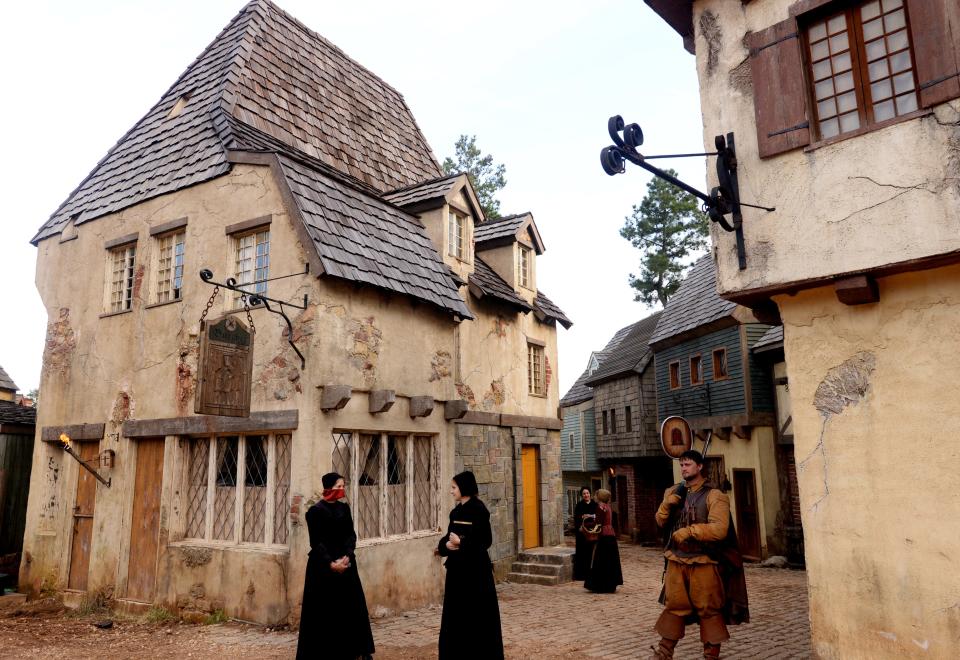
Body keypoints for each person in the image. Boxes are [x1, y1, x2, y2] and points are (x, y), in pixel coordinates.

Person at [650, 450, 749, 660]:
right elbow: (660, 521)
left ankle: (711, 654)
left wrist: (690, 531)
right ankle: (664, 652)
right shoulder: (673, 491)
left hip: (704, 561)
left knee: (708, 608)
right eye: (681, 465)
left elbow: (720, 529)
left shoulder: (715, 496)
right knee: (675, 606)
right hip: (676, 560)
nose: (683, 468)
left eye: (688, 464)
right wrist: (667, 504)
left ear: (700, 466)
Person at [296, 472, 375, 660]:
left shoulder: (344, 508)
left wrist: (347, 556)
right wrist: (330, 563)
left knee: (352, 609)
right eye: (338, 486)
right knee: (325, 612)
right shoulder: (314, 512)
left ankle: (355, 651)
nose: (342, 490)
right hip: (322, 567)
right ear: (328, 488)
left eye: (343, 486)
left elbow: (350, 534)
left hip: (346, 564)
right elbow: (316, 542)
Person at [437, 470, 504, 660]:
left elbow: (485, 541)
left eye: (454, 487)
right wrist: (445, 545)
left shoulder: (479, 510)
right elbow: (448, 536)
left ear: (464, 488)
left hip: (476, 576)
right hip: (457, 575)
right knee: (456, 619)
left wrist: (462, 543)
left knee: (477, 620)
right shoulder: (455, 512)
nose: (451, 491)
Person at [583, 488, 623, 593]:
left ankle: (601, 585)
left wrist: (585, 525)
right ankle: (610, 584)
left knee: (601, 560)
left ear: (600, 497)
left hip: (603, 536)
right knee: (610, 561)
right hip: (611, 535)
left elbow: (598, 523)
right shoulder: (607, 507)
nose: (594, 497)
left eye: (596, 495)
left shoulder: (600, 507)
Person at [573, 486, 599, 580]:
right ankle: (581, 575)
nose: (586, 495)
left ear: (590, 494)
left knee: (591, 552)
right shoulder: (579, 505)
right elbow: (576, 518)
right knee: (582, 553)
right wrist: (581, 519)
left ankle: (591, 574)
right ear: (581, 495)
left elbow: (598, 516)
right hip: (582, 533)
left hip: (592, 532)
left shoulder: (595, 504)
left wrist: (590, 516)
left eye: (587, 493)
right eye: (584, 493)